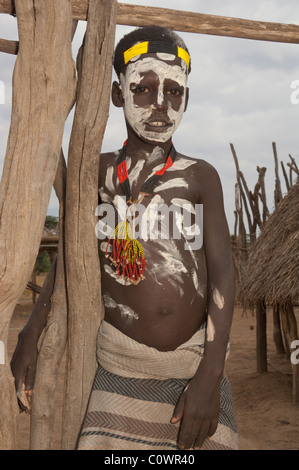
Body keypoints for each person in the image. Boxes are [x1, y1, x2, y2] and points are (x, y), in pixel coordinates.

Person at [11, 26, 238, 450]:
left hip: (192, 366)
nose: (160, 104)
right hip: (120, 364)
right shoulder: (95, 172)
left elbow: (224, 276)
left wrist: (210, 375)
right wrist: (31, 331)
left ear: (187, 98)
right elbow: (67, 262)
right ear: (118, 95)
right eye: (144, 88)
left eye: (174, 92)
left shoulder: (199, 176)